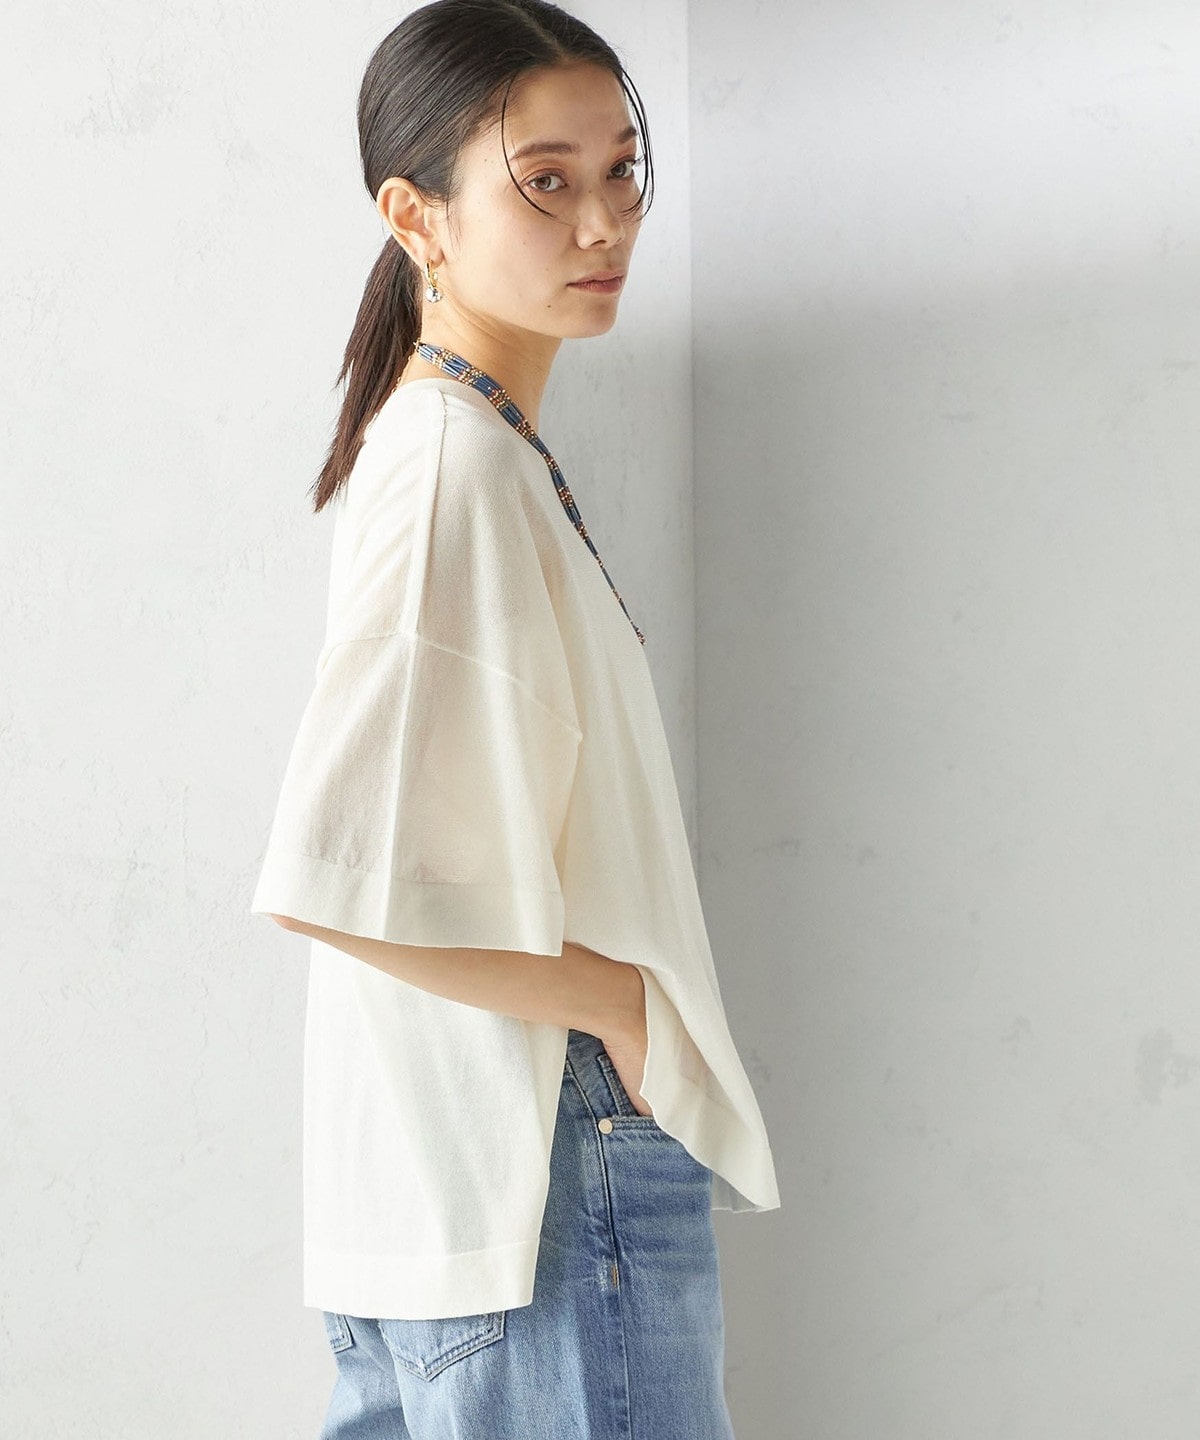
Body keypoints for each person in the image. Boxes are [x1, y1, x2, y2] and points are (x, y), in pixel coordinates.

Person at [249, 1, 781, 1434]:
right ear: (414, 215)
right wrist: (625, 1009)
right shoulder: (456, 468)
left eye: (621, 172)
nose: (603, 221)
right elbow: (332, 875)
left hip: (453, 1185)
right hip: (541, 1170)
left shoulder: (464, 449)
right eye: (545, 182)